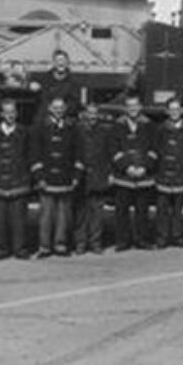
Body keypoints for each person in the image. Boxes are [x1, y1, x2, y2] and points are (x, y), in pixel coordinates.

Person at [30, 96, 83, 257]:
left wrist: (76, 176)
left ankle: (60, 245)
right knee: (46, 215)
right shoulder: (40, 127)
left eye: (61, 108)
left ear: (65, 110)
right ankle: (44, 246)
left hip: (65, 177)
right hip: (47, 177)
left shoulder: (72, 128)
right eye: (55, 107)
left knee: (63, 215)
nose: (58, 110)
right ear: (50, 109)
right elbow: (34, 153)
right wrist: (39, 177)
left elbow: (78, 153)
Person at [110, 95, 157, 250]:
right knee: (121, 212)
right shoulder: (117, 125)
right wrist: (126, 167)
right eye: (129, 106)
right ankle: (122, 241)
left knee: (142, 211)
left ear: (141, 106)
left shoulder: (150, 125)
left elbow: (154, 150)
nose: (133, 109)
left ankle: (142, 239)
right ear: (125, 108)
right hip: (124, 176)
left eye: (135, 105)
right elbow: (114, 149)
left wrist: (145, 167)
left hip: (144, 176)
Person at [153, 97, 183, 248]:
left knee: (178, 210)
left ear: (182, 111)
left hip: (182, 175)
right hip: (163, 175)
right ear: (167, 111)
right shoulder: (160, 130)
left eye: (177, 109)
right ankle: (162, 236)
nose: (174, 112)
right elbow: (155, 150)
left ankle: (177, 235)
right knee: (162, 209)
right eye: (171, 109)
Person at [0, 98, 31, 260]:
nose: (10, 115)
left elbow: (28, 155)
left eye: (12, 112)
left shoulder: (24, 132)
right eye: (6, 112)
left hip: (19, 179)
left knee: (19, 218)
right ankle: (0, 248)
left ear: (17, 113)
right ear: (1, 114)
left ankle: (20, 248)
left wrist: (27, 176)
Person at [74, 103, 110, 255]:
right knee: (80, 214)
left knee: (97, 213)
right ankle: (80, 243)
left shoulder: (104, 131)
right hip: (81, 177)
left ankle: (95, 243)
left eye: (95, 113)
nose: (92, 116)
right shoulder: (77, 130)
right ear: (84, 114)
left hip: (99, 176)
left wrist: (109, 174)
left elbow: (108, 154)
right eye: (90, 113)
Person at [29, 49, 82, 122]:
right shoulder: (44, 79)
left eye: (63, 60)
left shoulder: (73, 82)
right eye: (58, 60)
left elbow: (74, 103)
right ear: (53, 63)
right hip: (46, 118)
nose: (61, 63)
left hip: (65, 118)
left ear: (67, 63)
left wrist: (60, 108)